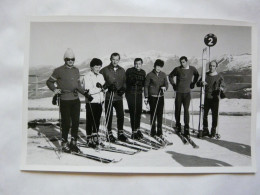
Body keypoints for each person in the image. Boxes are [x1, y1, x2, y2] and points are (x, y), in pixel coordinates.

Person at [46, 48, 86, 153]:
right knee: (66, 122)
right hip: (64, 99)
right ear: (65, 60)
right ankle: (64, 143)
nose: (70, 61)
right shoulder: (58, 70)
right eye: (68, 59)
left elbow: (78, 85)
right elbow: (49, 82)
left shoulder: (76, 70)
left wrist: (86, 93)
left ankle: (74, 143)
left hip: (75, 99)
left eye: (72, 59)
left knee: (76, 122)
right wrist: (55, 89)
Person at [168, 56, 199, 138]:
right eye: (181, 62)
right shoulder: (177, 69)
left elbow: (197, 74)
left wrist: (193, 83)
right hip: (179, 92)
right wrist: (173, 85)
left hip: (187, 93)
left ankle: (186, 127)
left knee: (186, 110)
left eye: (183, 62)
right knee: (177, 109)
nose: (182, 64)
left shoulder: (192, 69)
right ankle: (178, 124)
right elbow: (170, 76)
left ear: (187, 61)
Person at [100, 53, 127, 142]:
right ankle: (109, 133)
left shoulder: (122, 70)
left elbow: (125, 82)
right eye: (113, 59)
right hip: (108, 97)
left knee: (121, 115)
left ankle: (120, 133)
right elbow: (100, 83)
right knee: (109, 115)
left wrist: (123, 89)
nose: (115, 61)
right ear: (110, 59)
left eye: (117, 59)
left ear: (119, 60)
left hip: (118, 97)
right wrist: (107, 86)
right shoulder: (104, 70)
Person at [196, 60, 225, 138]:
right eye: (210, 66)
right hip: (205, 98)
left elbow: (223, 85)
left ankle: (213, 130)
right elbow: (197, 84)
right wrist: (201, 83)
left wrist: (221, 88)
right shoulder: (205, 75)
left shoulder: (219, 76)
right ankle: (205, 129)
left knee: (215, 115)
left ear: (216, 67)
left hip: (215, 98)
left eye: (213, 66)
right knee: (204, 115)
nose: (211, 67)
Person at [83, 58, 105, 147]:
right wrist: (100, 88)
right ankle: (89, 138)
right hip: (91, 101)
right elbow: (88, 91)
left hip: (99, 101)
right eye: (96, 67)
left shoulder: (100, 76)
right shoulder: (87, 76)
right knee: (90, 120)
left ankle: (95, 136)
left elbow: (103, 87)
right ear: (91, 67)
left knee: (97, 120)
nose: (98, 69)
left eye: (99, 67)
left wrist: (106, 88)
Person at [144, 59, 168, 138]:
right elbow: (146, 86)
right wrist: (146, 96)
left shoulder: (163, 74)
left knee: (160, 114)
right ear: (154, 66)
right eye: (157, 66)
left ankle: (159, 131)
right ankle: (153, 131)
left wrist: (165, 88)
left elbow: (166, 84)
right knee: (153, 114)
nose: (158, 68)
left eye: (160, 67)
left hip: (160, 97)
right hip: (152, 97)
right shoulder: (149, 75)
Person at [125, 58, 146, 140]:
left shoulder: (143, 72)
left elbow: (144, 83)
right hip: (131, 94)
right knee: (133, 112)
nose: (137, 65)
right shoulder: (129, 70)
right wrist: (131, 80)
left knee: (138, 111)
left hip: (139, 94)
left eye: (139, 64)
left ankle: (138, 129)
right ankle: (133, 132)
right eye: (136, 63)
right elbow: (126, 80)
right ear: (134, 64)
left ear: (141, 64)